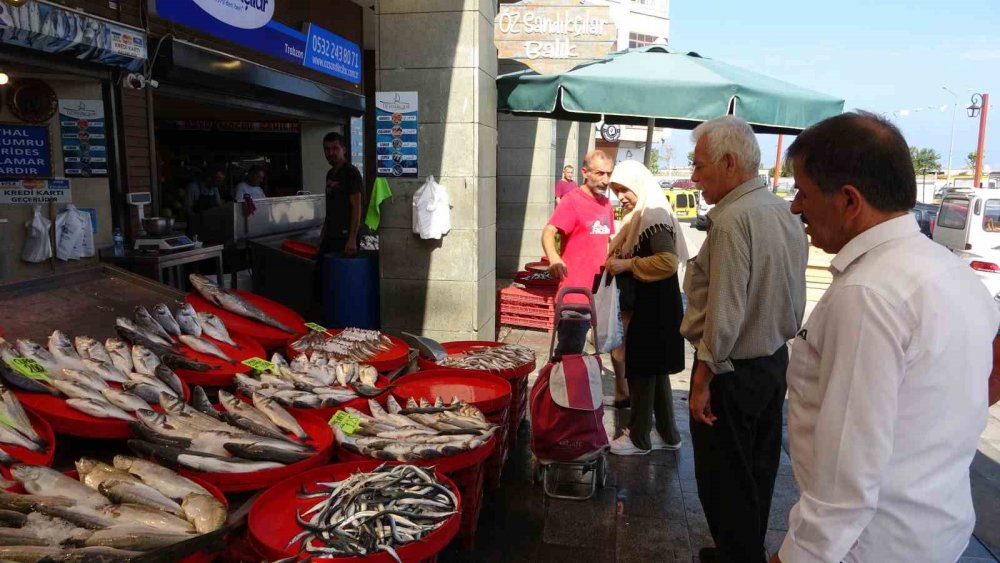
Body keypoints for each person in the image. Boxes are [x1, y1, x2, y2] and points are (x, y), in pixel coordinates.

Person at [772, 112, 999, 563]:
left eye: (802, 191)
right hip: (936, 534)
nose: (796, 207)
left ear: (849, 201)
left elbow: (845, 481)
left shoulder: (868, 294)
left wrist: (795, 557)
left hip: (869, 546)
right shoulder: (952, 272)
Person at [681, 116, 808, 563]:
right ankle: (742, 549)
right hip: (772, 364)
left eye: (699, 166)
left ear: (729, 163)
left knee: (723, 479)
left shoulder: (733, 219)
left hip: (730, 370)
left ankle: (739, 553)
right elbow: (795, 304)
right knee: (757, 471)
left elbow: (724, 314)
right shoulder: (781, 212)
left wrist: (702, 379)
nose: (694, 177)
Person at [603, 160, 689, 455]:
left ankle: (638, 438)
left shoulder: (652, 216)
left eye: (623, 190)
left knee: (641, 371)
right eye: (616, 191)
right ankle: (668, 434)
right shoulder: (642, 215)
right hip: (656, 308)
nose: (620, 197)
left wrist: (626, 263)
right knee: (656, 369)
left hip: (653, 310)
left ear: (638, 184)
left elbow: (667, 260)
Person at [542, 150, 615, 356]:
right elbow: (549, 231)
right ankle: (555, 386)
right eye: (600, 173)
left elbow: (607, 242)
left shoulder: (607, 204)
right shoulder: (572, 200)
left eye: (609, 174)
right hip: (575, 295)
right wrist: (554, 257)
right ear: (585, 172)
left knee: (589, 352)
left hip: (598, 294)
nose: (605, 180)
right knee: (569, 352)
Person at [319, 132, 363, 257]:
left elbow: (357, 207)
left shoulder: (351, 173)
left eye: (335, 148)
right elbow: (331, 205)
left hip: (346, 238)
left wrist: (352, 238)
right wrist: (323, 232)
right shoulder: (330, 174)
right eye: (327, 149)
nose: (331, 153)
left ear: (343, 149)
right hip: (330, 236)